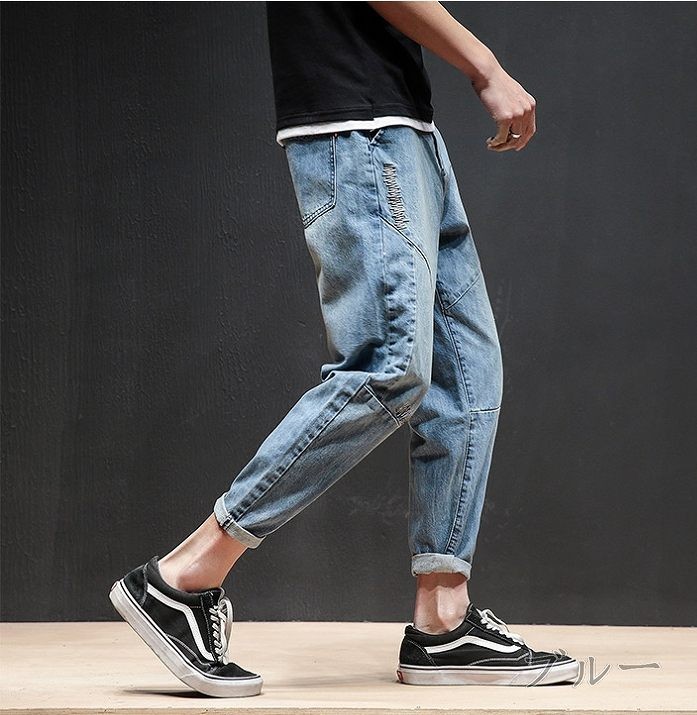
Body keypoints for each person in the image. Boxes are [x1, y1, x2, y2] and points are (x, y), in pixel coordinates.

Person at [109, 1, 580, 697]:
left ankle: (444, 624)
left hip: (403, 129)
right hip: (359, 129)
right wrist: (484, 66)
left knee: (465, 376)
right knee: (387, 367)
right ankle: (184, 576)